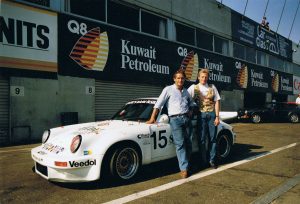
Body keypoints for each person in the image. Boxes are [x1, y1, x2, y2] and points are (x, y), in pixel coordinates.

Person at [146, 69, 193, 179]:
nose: (180, 80)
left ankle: (186, 163)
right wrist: (152, 118)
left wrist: (191, 110)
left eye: (182, 78)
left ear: (184, 79)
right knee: (180, 144)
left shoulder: (186, 92)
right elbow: (158, 104)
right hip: (175, 120)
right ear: (174, 79)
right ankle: (184, 169)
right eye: (178, 78)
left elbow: (192, 103)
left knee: (189, 143)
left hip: (187, 119)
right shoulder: (168, 89)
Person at [187, 69, 221, 169]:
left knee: (213, 138)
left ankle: (212, 160)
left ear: (208, 78)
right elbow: (186, 98)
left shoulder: (212, 87)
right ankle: (203, 161)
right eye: (202, 77)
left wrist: (217, 116)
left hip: (211, 115)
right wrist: (190, 109)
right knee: (201, 139)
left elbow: (217, 101)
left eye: (206, 77)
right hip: (200, 115)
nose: (204, 79)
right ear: (198, 77)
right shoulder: (194, 87)